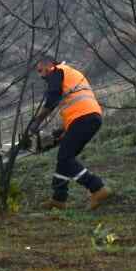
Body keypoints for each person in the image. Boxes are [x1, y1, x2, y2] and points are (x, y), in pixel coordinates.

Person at [26, 56, 113, 210]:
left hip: (82, 118)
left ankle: (97, 188)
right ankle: (58, 199)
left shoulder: (57, 71)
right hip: (89, 117)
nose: (41, 75)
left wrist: (36, 122)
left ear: (49, 66)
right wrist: (63, 130)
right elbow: (75, 103)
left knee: (65, 157)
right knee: (64, 159)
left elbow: (52, 98)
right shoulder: (71, 73)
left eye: (41, 70)